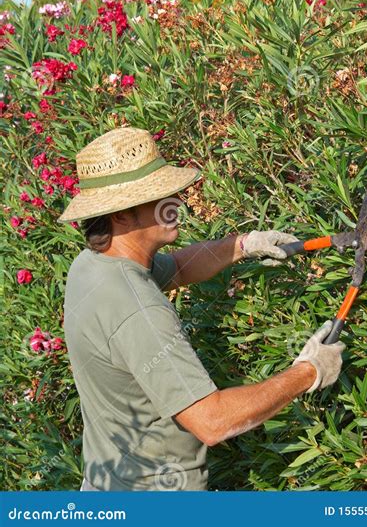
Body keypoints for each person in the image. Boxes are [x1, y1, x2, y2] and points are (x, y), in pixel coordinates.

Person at [59, 127, 345, 491]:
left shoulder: (91, 266)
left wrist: (242, 244)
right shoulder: (138, 310)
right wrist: (308, 373)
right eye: (158, 196)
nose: (176, 202)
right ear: (120, 216)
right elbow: (212, 421)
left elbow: (176, 268)